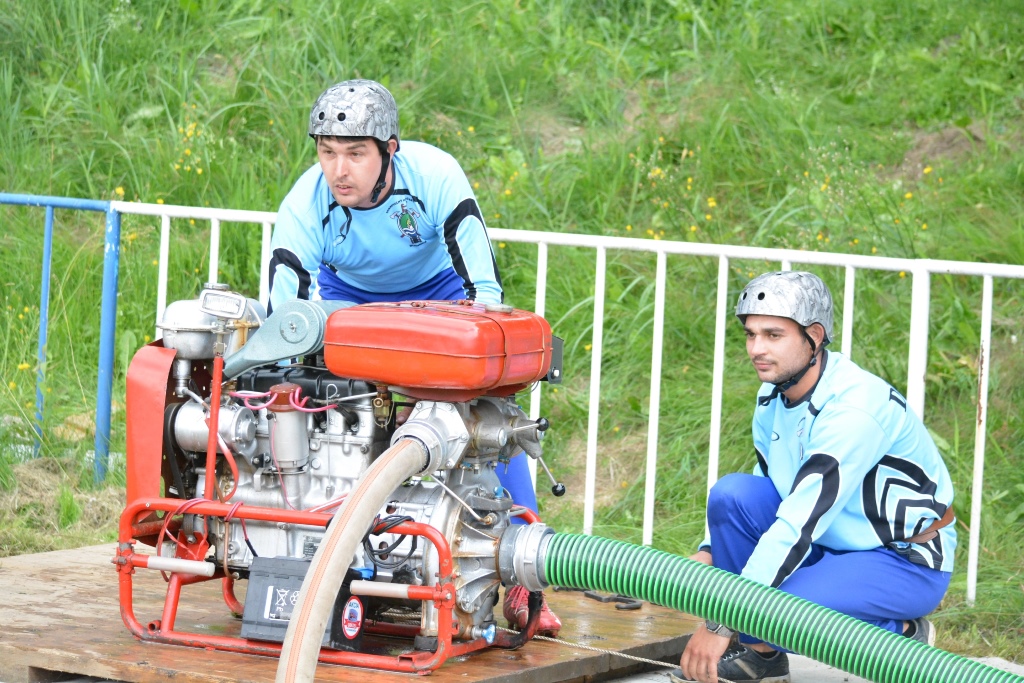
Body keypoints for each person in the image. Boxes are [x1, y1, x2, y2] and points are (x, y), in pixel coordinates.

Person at [266, 78, 560, 636]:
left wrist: (482, 363)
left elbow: (484, 287)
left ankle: (526, 578)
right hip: (350, 300)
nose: (338, 170)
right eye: (327, 152)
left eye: (355, 153)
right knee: (325, 402)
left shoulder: (435, 175)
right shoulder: (304, 204)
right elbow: (287, 315)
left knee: (490, 415)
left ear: (390, 150)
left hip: (438, 293)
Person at [671, 271, 956, 683]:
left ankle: (902, 633)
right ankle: (761, 657)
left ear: (814, 337)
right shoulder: (774, 392)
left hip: (901, 559)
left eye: (773, 335)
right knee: (732, 495)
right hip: (831, 539)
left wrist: (721, 620)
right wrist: (710, 550)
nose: (756, 349)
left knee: (777, 610)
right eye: (751, 335)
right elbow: (771, 482)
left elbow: (800, 520)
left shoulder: (853, 409)